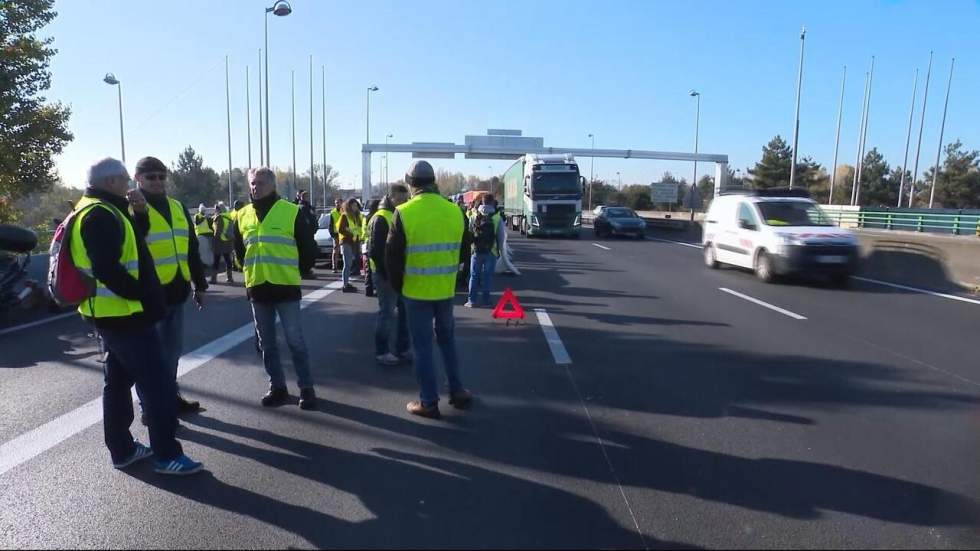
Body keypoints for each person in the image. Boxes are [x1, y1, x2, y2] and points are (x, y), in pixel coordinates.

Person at [71, 157, 202, 474]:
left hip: (114, 313)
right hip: (124, 315)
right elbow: (107, 268)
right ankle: (166, 455)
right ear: (112, 181)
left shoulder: (101, 207)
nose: (130, 184)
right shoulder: (99, 214)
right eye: (125, 179)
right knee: (158, 385)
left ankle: (123, 450)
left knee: (116, 385)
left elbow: (133, 240)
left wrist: (140, 213)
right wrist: (142, 295)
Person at [386, 160, 472, 418]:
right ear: (433, 181)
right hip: (445, 291)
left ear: (411, 184)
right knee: (447, 341)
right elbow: (465, 249)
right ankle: (457, 390)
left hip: (415, 292)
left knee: (422, 347)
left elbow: (392, 257)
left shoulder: (403, 212)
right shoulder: (455, 210)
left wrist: (399, 287)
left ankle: (428, 401)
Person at [129, 156, 209, 425]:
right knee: (151, 357)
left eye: (162, 176)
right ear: (137, 178)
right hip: (150, 297)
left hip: (177, 291)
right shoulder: (132, 210)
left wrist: (200, 284)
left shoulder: (177, 207)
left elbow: (191, 248)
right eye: (151, 177)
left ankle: (170, 397)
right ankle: (150, 407)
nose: (157, 181)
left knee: (172, 354)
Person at [234, 167, 319, 410]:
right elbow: (238, 250)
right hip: (258, 288)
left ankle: (306, 388)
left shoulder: (291, 212)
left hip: (285, 287)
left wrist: (299, 271)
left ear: (272, 186)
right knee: (266, 343)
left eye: (260, 183)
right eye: (252, 183)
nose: (255, 187)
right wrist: (247, 271)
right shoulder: (242, 215)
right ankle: (277, 387)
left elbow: (307, 249)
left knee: (295, 341)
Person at [367, 187, 411, 366]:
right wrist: (388, 274)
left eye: (405, 198)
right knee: (386, 313)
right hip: (386, 274)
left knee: (403, 311)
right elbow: (376, 251)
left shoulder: (393, 214)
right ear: (391, 197)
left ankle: (402, 348)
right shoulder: (381, 217)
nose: (404, 201)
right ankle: (382, 351)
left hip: (395, 272)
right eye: (400, 198)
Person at [465, 193, 505, 308]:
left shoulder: (473, 215)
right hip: (491, 251)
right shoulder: (497, 217)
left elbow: (470, 233)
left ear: (482, 202)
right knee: (487, 277)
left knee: (474, 276)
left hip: (476, 251)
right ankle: (486, 301)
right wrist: (500, 251)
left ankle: (471, 301)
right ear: (492, 202)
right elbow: (500, 237)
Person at [337, 197, 363, 293]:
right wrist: (351, 234)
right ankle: (345, 285)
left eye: (356, 205)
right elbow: (341, 229)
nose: (355, 207)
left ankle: (346, 283)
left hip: (353, 242)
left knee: (349, 263)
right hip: (346, 242)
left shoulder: (356, 216)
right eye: (353, 205)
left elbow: (358, 229)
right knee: (347, 264)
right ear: (348, 206)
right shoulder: (344, 216)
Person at [295, 191, 318, 279]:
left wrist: (314, 228)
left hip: (310, 235)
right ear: (301, 197)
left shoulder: (310, 208)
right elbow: (302, 222)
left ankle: (307, 270)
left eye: (307, 196)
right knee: (304, 254)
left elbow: (313, 219)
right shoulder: (300, 208)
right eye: (305, 197)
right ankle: (304, 271)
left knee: (311, 252)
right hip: (303, 235)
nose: (306, 198)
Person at [210, 202, 235, 284]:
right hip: (228, 241)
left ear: (219, 209)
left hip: (219, 241)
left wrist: (214, 239)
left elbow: (217, 231)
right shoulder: (229, 216)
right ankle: (230, 277)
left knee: (216, 260)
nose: (215, 210)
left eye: (216, 209)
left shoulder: (219, 217)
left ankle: (214, 279)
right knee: (228, 260)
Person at [362, 199, 381, 297]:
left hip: (365, 245)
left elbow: (363, 232)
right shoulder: (378, 217)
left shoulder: (366, 217)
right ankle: (377, 288)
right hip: (373, 244)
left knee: (368, 269)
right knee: (376, 269)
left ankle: (368, 289)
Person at [329, 198, 343, 273]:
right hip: (336, 234)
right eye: (336, 203)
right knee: (335, 250)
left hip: (344, 233)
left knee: (345, 251)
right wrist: (332, 235)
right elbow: (330, 225)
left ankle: (346, 267)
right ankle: (334, 267)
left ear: (341, 203)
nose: (337, 204)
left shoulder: (344, 211)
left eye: (338, 202)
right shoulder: (333, 212)